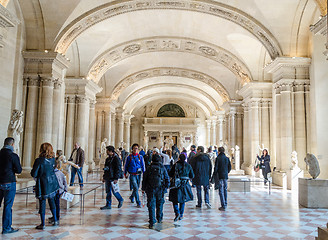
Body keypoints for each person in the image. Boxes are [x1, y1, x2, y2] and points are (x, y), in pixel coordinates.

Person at [31, 143, 59, 229]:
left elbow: (34, 173)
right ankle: (55, 220)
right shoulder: (53, 159)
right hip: (52, 183)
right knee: (52, 201)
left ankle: (42, 224)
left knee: (42, 203)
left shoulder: (39, 160)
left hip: (43, 183)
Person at [0, 137, 22, 234]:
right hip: (9, 182)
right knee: (8, 206)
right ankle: (6, 228)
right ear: (12, 145)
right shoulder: (13, 156)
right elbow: (19, 170)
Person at [142, 154, 169, 229]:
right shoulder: (162, 167)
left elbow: (144, 179)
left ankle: (152, 221)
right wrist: (165, 188)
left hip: (150, 189)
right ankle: (159, 218)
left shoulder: (149, 168)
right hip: (160, 189)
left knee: (151, 205)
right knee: (160, 204)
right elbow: (167, 178)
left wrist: (143, 188)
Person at [169, 154, 194, 221]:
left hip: (176, 184)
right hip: (184, 184)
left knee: (174, 200)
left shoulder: (175, 165)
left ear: (179, 158)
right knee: (182, 200)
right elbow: (192, 175)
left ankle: (177, 212)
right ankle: (181, 214)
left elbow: (170, 174)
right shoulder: (188, 166)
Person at [100, 146, 124, 210]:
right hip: (108, 177)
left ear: (111, 151)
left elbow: (118, 169)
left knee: (114, 191)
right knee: (108, 191)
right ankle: (108, 204)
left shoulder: (116, 159)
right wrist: (104, 177)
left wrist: (116, 178)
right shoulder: (107, 159)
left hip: (113, 177)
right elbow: (106, 169)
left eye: (107, 150)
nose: (106, 152)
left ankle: (120, 199)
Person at [124, 143, 145, 208]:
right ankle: (138, 202)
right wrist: (125, 173)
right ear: (132, 149)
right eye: (134, 148)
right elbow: (126, 165)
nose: (135, 150)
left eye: (137, 148)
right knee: (135, 188)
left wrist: (144, 174)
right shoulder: (129, 157)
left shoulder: (140, 157)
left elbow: (143, 165)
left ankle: (132, 197)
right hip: (132, 174)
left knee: (137, 188)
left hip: (138, 174)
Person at [212, 147, 231, 211]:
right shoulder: (227, 158)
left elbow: (216, 167)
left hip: (220, 176)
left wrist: (214, 174)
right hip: (225, 176)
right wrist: (226, 172)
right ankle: (225, 203)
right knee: (225, 189)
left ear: (219, 151)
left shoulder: (218, 158)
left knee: (221, 190)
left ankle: (223, 205)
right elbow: (229, 167)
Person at [50, 159, 68, 223]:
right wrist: (65, 189)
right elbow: (65, 182)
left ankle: (56, 216)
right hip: (59, 190)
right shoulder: (61, 173)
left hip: (55, 190)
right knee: (56, 204)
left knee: (54, 204)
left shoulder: (52, 173)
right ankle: (55, 216)